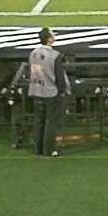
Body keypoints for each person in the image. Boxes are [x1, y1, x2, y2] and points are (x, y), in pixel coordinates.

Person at [27, 27, 67, 156]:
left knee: (39, 121)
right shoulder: (55, 55)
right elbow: (59, 76)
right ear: (49, 39)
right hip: (50, 92)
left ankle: (38, 149)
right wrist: (62, 91)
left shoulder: (33, 53)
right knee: (51, 121)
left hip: (36, 90)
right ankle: (48, 150)